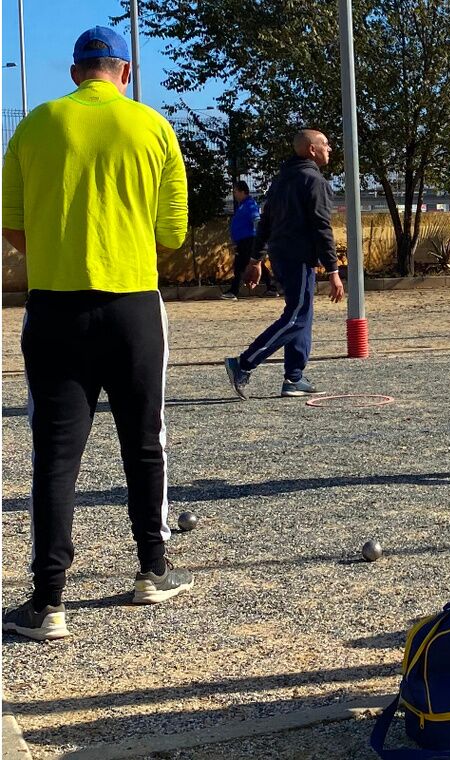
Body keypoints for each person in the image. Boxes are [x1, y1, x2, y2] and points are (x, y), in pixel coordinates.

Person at [1, 26, 193, 640]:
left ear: (75, 73)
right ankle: (151, 571)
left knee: (55, 456)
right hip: (133, 303)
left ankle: (47, 601)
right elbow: (173, 233)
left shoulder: (35, 124)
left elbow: (13, 226)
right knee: (144, 440)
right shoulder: (152, 127)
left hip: (56, 307)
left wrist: (59, 252)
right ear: (125, 72)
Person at [224, 129, 345, 400]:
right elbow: (321, 227)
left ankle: (294, 378)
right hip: (298, 257)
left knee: (302, 316)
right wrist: (334, 271)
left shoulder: (279, 181)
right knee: (296, 317)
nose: (330, 148)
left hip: (281, 256)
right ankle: (243, 364)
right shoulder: (313, 181)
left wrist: (256, 260)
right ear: (311, 150)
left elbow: (265, 223)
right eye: (325, 144)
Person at [221, 180, 276, 300]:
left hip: (249, 240)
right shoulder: (242, 205)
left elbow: (256, 220)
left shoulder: (250, 204)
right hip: (244, 241)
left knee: (240, 265)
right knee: (257, 264)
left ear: (242, 191)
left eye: (235, 192)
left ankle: (233, 292)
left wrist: (259, 238)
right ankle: (271, 288)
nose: (234, 194)